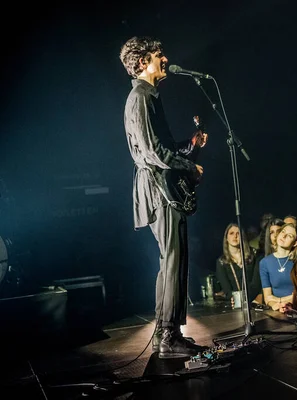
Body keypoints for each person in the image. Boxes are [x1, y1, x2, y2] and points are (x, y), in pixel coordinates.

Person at [120, 36, 208, 358]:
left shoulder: (149, 97)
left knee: (173, 260)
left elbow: (164, 148)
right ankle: (168, 337)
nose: (165, 59)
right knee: (173, 259)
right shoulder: (140, 96)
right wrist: (189, 164)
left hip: (162, 186)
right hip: (159, 191)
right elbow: (153, 152)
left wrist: (190, 145)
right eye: (158, 55)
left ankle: (167, 333)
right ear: (143, 62)